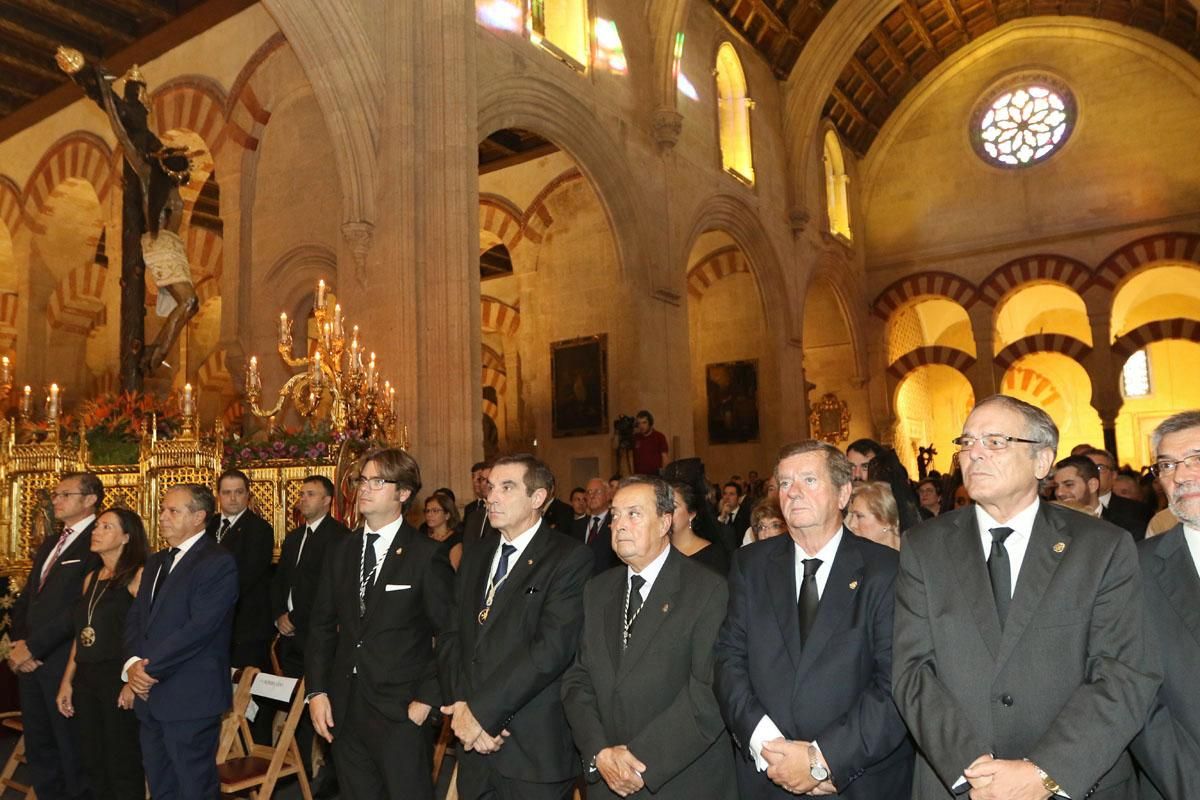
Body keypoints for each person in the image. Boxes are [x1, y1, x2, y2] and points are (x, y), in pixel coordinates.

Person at [893, 395, 1159, 799]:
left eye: (995, 442)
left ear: (1042, 461)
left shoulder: (1101, 547)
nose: (974, 454)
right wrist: (973, 770)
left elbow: (1123, 673)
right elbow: (912, 672)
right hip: (963, 785)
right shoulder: (924, 547)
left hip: (1075, 781)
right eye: (967, 442)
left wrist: (1045, 773)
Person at [714, 441, 913, 799]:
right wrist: (768, 747)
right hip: (768, 775)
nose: (794, 492)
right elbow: (729, 660)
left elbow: (895, 682)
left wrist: (821, 759)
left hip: (853, 778)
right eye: (785, 483)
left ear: (843, 494)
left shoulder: (886, 569)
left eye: (809, 480)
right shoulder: (750, 565)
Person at [561, 476, 735, 799]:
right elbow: (577, 679)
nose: (620, 525)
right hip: (608, 775)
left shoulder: (706, 589)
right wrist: (599, 752)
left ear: (664, 522)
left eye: (634, 514)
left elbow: (707, 694)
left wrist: (641, 762)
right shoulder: (597, 590)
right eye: (615, 515)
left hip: (678, 779)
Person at [439, 454, 593, 800]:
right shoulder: (476, 553)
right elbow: (452, 635)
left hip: (531, 750)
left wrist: (482, 714)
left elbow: (550, 651)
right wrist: (462, 706)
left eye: (507, 488)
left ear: (537, 499)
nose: (491, 496)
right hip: (473, 744)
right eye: (491, 487)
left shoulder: (568, 558)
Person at [306, 448, 454, 800]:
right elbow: (322, 627)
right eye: (362, 480)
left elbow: (451, 633)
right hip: (345, 706)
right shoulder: (341, 550)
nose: (365, 489)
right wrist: (317, 691)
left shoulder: (425, 555)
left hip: (401, 709)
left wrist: (427, 700)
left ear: (403, 493)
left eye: (377, 481)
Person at [122, 483, 238, 799]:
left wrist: (148, 670)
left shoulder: (217, 562)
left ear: (199, 516)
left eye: (173, 511)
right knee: (161, 785)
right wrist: (132, 665)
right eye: (162, 509)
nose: (162, 517)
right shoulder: (156, 561)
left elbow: (199, 628)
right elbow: (136, 619)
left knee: (194, 787)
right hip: (150, 696)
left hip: (189, 696)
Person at [9, 472, 103, 799]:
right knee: (41, 750)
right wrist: (19, 643)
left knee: (71, 752)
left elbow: (80, 607)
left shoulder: (97, 540)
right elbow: (27, 599)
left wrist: (35, 647)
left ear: (90, 499)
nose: (56, 500)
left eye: (65, 494)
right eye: (56, 494)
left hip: (64, 662)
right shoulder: (52, 540)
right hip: (31, 663)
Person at [1130, 410, 1200, 800]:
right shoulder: (1134, 570)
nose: (1181, 475)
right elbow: (1137, 694)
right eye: (1167, 465)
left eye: (1197, 458)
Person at [56, 507, 148, 800]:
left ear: (125, 537)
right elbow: (81, 635)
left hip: (117, 675)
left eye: (106, 527)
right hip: (86, 676)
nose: (96, 532)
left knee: (121, 761)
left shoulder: (139, 575)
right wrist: (67, 681)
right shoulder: (91, 578)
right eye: (96, 526)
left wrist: (133, 681)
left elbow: (149, 634)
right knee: (92, 759)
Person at [270, 474, 350, 795]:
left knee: (323, 702)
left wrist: (297, 617)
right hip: (289, 634)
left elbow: (326, 591)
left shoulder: (338, 536)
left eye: (311, 494)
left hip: (318, 633)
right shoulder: (293, 537)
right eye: (302, 494)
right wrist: (278, 615)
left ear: (328, 501)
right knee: (294, 706)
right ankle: (297, 768)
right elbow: (280, 582)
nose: (303, 499)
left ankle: (332, 775)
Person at [209, 468, 275, 670]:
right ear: (218, 495)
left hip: (246, 624)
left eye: (238, 492)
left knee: (245, 688)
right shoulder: (207, 526)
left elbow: (247, 574)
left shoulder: (259, 529)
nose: (233, 498)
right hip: (211, 624)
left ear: (248, 495)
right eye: (227, 493)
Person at [1084, 447, 1153, 540]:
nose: (1092, 473)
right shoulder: (1069, 508)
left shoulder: (1138, 511)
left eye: (1099, 467)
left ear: (1114, 475)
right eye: (1087, 468)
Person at [667, 480, 730, 575]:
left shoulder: (712, 556)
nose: (666, 512)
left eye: (673, 507)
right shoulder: (657, 551)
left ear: (691, 514)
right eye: (663, 506)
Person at [573, 477, 619, 574]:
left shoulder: (617, 523)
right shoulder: (577, 526)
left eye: (597, 492)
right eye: (589, 492)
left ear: (608, 495)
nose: (592, 496)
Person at [847, 481, 901, 550]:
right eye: (852, 516)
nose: (851, 524)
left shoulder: (913, 555)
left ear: (887, 521)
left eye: (859, 516)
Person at [424, 492, 464, 570]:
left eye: (435, 511)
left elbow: (455, 573)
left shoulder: (455, 540)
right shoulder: (424, 537)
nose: (429, 514)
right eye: (427, 511)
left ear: (447, 515)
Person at [462, 461, 494, 552]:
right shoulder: (473, 516)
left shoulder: (506, 512)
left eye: (488, 480)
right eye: (482, 479)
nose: (483, 484)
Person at [632, 410, 669, 475]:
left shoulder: (659, 437)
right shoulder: (635, 438)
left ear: (650, 423)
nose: (641, 426)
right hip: (640, 476)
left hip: (655, 475)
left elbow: (664, 457)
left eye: (644, 422)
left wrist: (664, 474)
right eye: (639, 423)